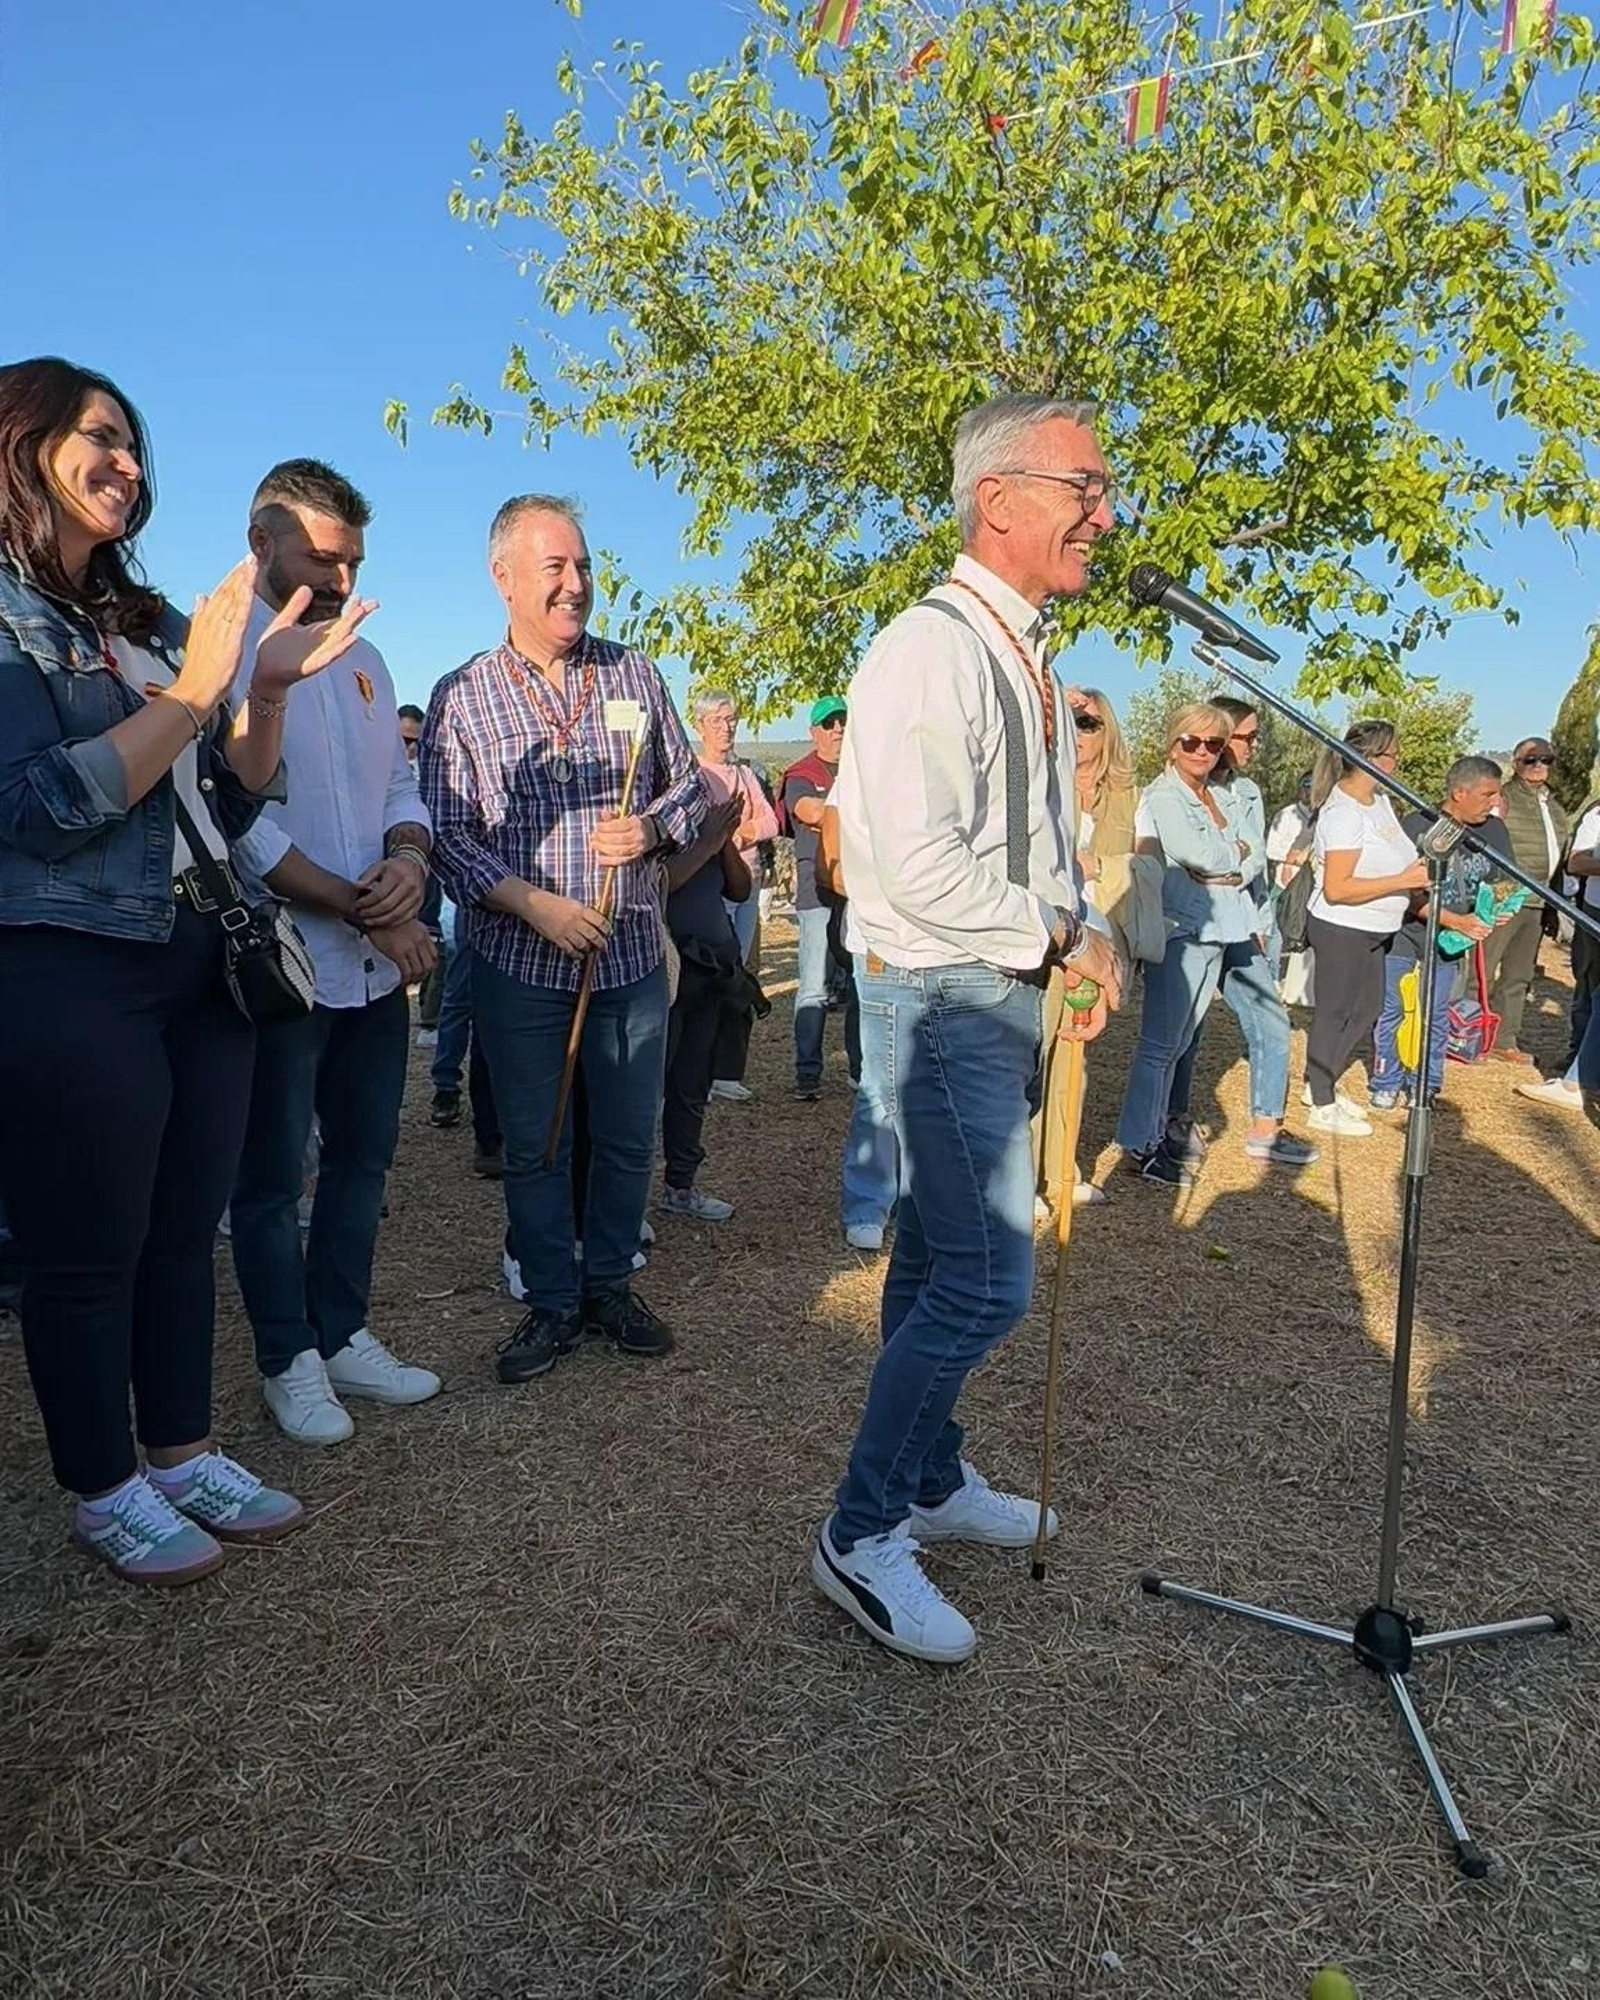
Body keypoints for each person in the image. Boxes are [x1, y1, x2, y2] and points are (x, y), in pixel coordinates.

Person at [0, 357, 359, 1582]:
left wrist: (253, 694)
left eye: (136, 444)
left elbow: (228, 791)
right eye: (102, 437)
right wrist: (202, 685)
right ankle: (105, 1484)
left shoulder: (143, 619)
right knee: (86, 1244)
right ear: (22, 443)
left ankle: (181, 1447)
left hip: (203, 953)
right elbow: (44, 806)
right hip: (71, 964)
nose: (131, 465)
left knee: (179, 1229)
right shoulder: (7, 615)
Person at [816, 392, 1122, 1664]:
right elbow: (917, 864)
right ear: (997, 499)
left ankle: (931, 1474)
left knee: (938, 1264)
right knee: (991, 1279)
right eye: (1082, 488)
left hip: (991, 984)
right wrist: (1054, 936)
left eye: (1106, 491)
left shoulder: (1026, 658)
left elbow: (1046, 848)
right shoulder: (927, 651)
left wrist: (1082, 921)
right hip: (938, 990)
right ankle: (860, 1526)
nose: (1105, 514)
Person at [421, 493, 706, 1384]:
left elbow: (693, 788)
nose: (577, 585)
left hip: (625, 962)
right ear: (503, 578)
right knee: (539, 1143)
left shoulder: (635, 675)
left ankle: (609, 1286)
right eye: (556, 568)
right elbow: (444, 833)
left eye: (584, 566)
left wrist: (654, 830)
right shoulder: (462, 696)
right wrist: (531, 904)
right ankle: (550, 1300)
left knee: (626, 1138)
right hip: (517, 963)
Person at [228, 461, 442, 1445]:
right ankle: (288, 1356)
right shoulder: (221, 656)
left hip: (370, 964)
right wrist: (367, 909)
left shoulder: (368, 662)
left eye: (353, 559)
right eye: (324, 558)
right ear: (263, 541)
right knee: (273, 1177)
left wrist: (406, 858)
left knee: (362, 1159)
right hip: (281, 964)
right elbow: (237, 827)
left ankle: (343, 1326)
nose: (344, 579)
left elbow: (400, 788)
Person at [1114, 703, 1317, 1185]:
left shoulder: (1225, 796)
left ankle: (1152, 1139)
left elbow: (1248, 864)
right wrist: (1233, 859)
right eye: (1192, 742)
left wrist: (1231, 863)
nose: (1203, 752)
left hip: (1225, 925)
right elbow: (1201, 855)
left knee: (1180, 1039)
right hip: (1184, 928)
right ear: (1172, 743)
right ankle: (1140, 1144)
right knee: (1162, 1043)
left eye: (1213, 744)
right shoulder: (1165, 796)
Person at [1033, 685, 1137, 1211]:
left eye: (1090, 722)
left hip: (1105, 934)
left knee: (1075, 1054)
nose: (1081, 730)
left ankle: (1062, 1168)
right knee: (1037, 1052)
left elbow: (1150, 866)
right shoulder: (1042, 780)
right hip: (1052, 934)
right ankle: (1026, 1176)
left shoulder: (1128, 794)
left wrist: (1102, 866)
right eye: (1072, 719)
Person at [1302, 720, 1430, 1134]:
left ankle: (1321, 1081)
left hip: (1376, 927)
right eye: (1392, 755)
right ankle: (1320, 1103)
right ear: (1370, 759)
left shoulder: (1379, 802)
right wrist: (1403, 881)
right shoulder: (1342, 813)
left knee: (1369, 1009)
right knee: (1335, 1011)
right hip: (1343, 926)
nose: (1397, 763)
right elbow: (1338, 888)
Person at [1371, 756, 1513, 1108]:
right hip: (1405, 935)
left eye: (1496, 795)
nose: (1493, 802)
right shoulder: (1416, 826)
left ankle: (1426, 1083)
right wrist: (1454, 919)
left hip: (1449, 945)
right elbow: (1402, 890)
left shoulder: (1494, 831)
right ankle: (1386, 1080)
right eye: (1486, 794)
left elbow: (1505, 882)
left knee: (1436, 1013)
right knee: (1395, 1009)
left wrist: (1497, 910)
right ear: (1458, 793)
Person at [660, 795, 749, 1219]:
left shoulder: (710, 836)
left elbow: (741, 888)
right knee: (647, 1090)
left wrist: (723, 840)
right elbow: (663, 882)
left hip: (709, 978)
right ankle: (624, 1200)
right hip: (666, 975)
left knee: (691, 1086)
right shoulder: (655, 831)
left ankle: (681, 1186)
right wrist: (708, 841)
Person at [694, 689, 778, 1101]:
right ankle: (699, 1069)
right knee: (713, 974)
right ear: (701, 727)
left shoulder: (745, 775)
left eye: (731, 720)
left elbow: (770, 822)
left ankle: (727, 1071)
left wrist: (737, 832)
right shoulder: (694, 773)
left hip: (749, 882)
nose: (726, 728)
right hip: (712, 885)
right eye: (718, 721)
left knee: (738, 974)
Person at [1485, 737, 1569, 1064]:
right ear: (1516, 763)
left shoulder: (1556, 809)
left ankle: (1504, 1040)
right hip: (1503, 893)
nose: (1538, 766)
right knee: (1483, 968)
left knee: (1519, 974)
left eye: (1545, 760)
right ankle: (1468, 1034)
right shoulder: (1501, 799)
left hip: (1539, 898)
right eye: (1531, 760)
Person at [782, 699, 848, 1101]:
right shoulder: (801, 774)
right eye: (829, 723)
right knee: (813, 986)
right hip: (817, 893)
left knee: (860, 984)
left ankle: (861, 1070)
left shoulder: (866, 768)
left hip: (861, 894)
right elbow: (811, 811)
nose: (839, 729)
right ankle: (808, 1074)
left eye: (843, 721)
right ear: (815, 731)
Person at [1519, 790, 1600, 1109]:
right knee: (1593, 993)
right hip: (1595, 911)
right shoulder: (1596, 815)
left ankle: (1576, 1082)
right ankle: (1577, 1077)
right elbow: (1576, 861)